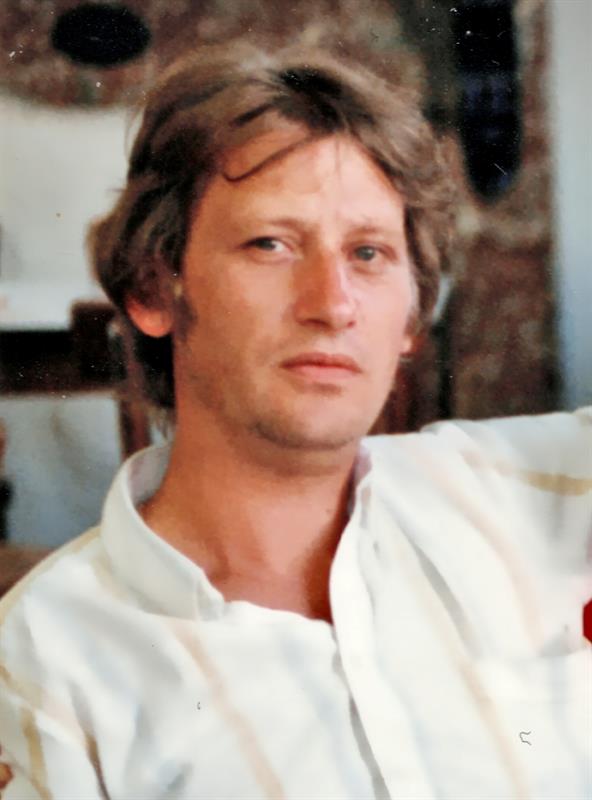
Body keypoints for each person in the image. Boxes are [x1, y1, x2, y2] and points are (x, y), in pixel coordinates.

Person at [0, 37, 590, 800]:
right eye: (271, 244)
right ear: (151, 289)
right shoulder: (42, 664)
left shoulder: (522, 493)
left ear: (411, 319)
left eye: (369, 254)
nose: (333, 304)